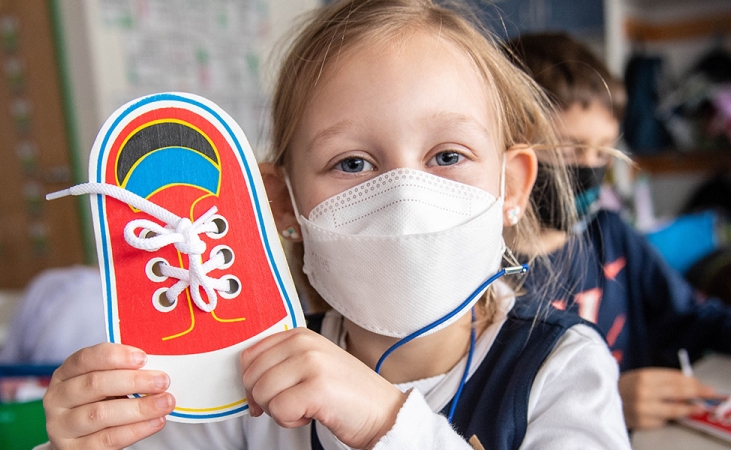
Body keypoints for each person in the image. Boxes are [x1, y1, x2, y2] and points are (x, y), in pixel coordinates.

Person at [38, 2, 631, 449]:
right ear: (285, 204)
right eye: (352, 163)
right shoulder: (244, 381)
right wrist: (83, 436)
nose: (404, 198)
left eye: (447, 156)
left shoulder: (563, 369)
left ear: (513, 186)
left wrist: (383, 421)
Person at [506, 32, 731, 430]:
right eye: (572, 150)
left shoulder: (608, 236)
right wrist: (605, 402)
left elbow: (700, 319)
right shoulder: (486, 281)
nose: (591, 169)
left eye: (604, 151)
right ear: (512, 145)